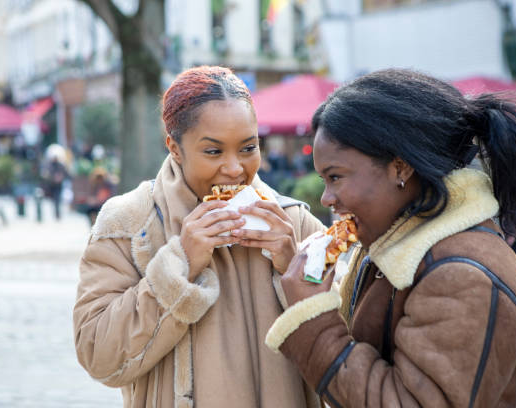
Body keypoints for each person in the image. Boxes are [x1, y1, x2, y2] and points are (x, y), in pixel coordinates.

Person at [265, 69, 516, 406]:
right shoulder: (394, 243)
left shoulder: (461, 274)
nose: (327, 199)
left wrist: (313, 316)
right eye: (323, 180)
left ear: (400, 168)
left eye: (336, 177)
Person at [73, 66, 326, 408]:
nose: (235, 168)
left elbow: (351, 348)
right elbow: (97, 356)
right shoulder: (129, 224)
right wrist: (179, 265)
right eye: (213, 152)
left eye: (248, 148)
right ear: (174, 148)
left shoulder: (293, 221)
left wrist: (294, 268)